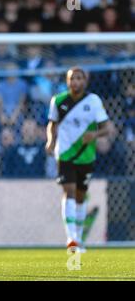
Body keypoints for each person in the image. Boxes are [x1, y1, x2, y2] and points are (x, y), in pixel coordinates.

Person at [45, 66, 111, 252]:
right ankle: (71, 238)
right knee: (69, 191)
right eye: (72, 78)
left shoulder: (93, 101)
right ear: (67, 81)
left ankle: (79, 237)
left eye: (79, 78)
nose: (76, 82)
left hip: (85, 155)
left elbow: (106, 127)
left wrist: (94, 134)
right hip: (65, 153)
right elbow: (52, 124)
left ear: (85, 81)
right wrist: (51, 141)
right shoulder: (58, 101)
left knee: (81, 196)